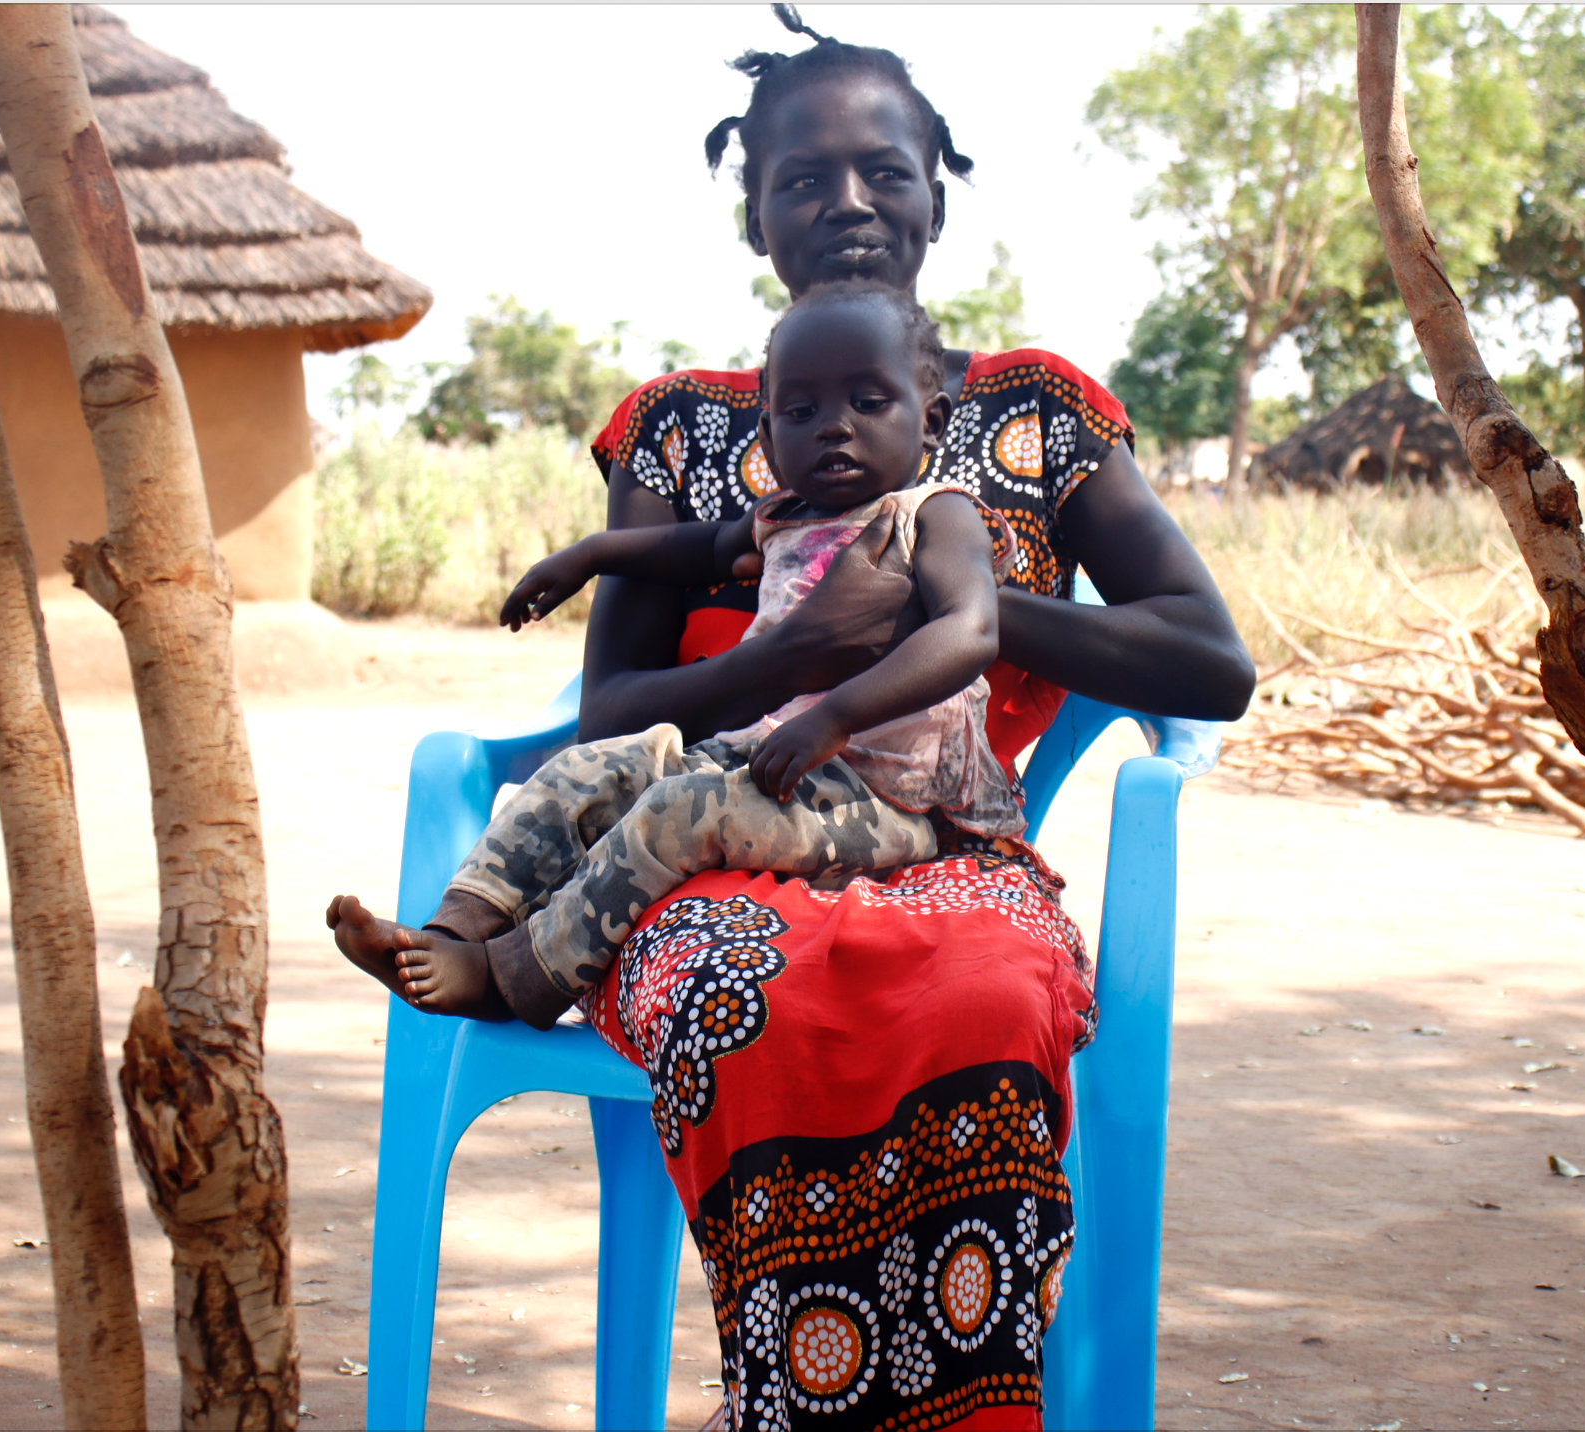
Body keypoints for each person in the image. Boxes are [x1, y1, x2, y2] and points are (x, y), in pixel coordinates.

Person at [337, 9, 1252, 1427]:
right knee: (732, 983)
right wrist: (790, 661)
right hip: (692, 850)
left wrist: (977, 618)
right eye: (802, 180)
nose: (847, 205)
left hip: (935, 842)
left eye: (883, 171)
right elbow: (609, 712)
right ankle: (798, 1388)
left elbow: (1209, 662)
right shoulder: (701, 427)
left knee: (986, 990)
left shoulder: (1032, 417)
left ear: (937, 190)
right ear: (753, 213)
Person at [329, 283, 1030, 1023]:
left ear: (932, 421)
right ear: (768, 437)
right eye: (802, 412)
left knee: (681, 811)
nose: (835, 428)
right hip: (775, 767)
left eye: (868, 402)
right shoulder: (785, 518)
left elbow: (969, 631)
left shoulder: (940, 516)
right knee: (585, 767)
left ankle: (512, 979)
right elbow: (692, 546)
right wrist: (592, 553)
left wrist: (836, 719)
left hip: (894, 802)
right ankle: (452, 931)